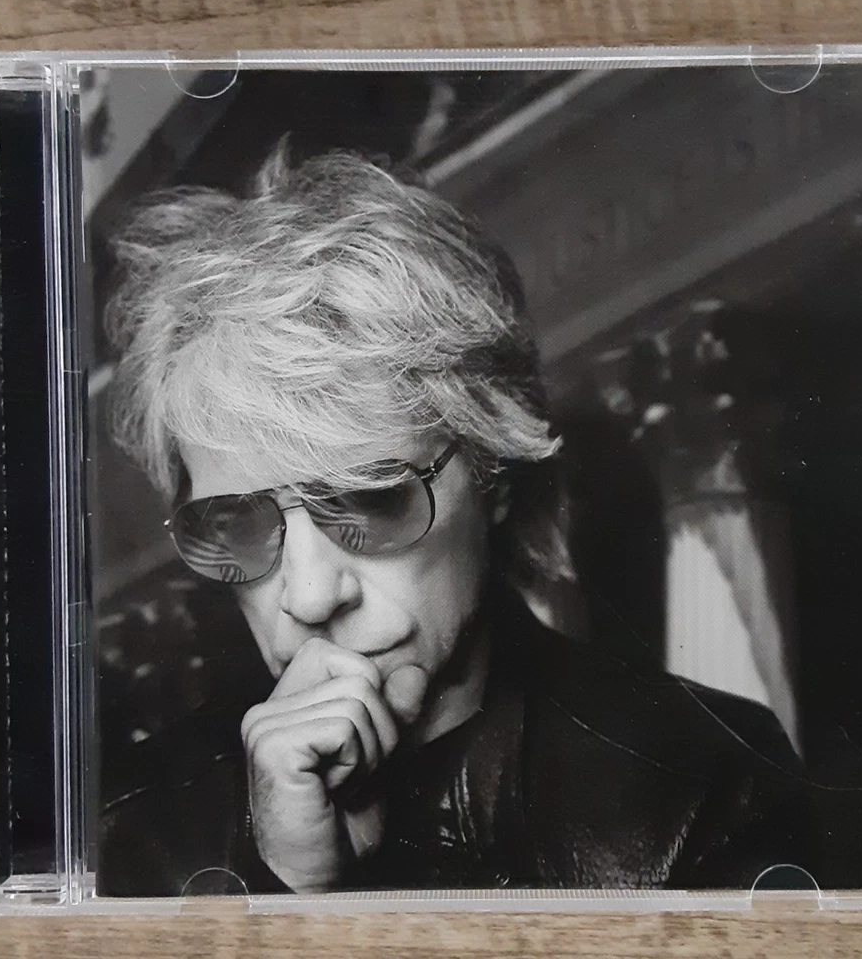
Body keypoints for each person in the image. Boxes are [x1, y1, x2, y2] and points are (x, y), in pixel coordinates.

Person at [98, 142, 809, 897]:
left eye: (372, 495)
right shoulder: (140, 830)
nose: (308, 595)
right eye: (237, 523)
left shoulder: (710, 788)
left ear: (492, 473)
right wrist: (289, 888)